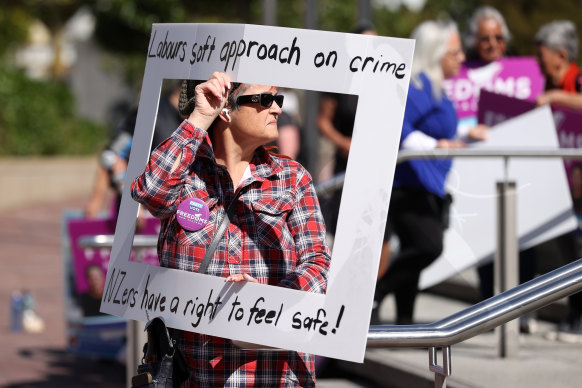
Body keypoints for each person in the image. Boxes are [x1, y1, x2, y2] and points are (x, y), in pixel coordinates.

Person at [131, 72, 331, 387]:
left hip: (273, 374)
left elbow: (319, 263)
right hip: (196, 373)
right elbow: (149, 192)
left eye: (277, 99)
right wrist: (199, 117)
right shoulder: (187, 175)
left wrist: (266, 302)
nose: (277, 109)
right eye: (265, 99)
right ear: (225, 108)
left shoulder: (293, 179)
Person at [373, 20, 476, 325]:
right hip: (408, 183)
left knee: (417, 250)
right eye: (455, 52)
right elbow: (401, 129)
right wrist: (437, 144)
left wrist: (468, 137)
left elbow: (441, 137)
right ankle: (376, 295)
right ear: (436, 52)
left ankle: (405, 320)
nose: (461, 58)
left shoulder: (435, 87)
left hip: (426, 183)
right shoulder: (416, 87)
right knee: (428, 246)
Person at [535, 20, 582, 342]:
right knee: (568, 254)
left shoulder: (575, 81)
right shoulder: (549, 85)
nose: (538, 64)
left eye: (542, 57)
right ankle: (574, 313)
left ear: (561, 55)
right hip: (561, 185)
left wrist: (556, 97)